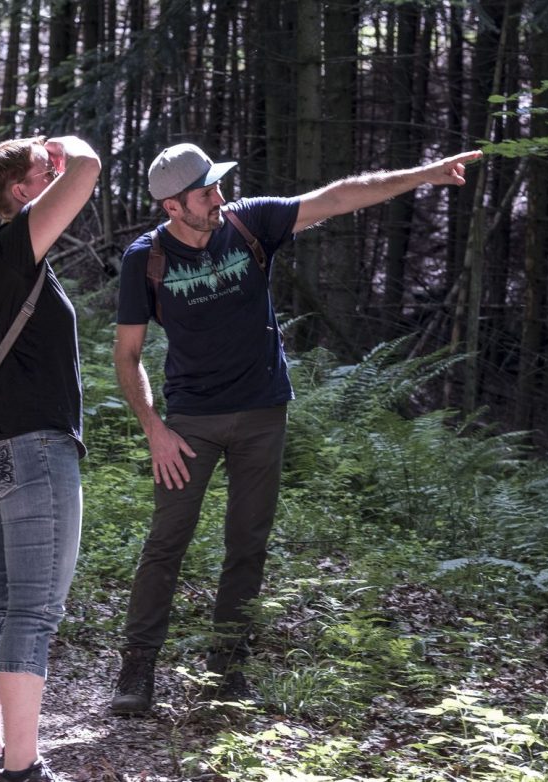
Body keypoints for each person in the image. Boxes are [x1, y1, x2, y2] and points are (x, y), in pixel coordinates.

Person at [109, 142, 482, 715]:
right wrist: (154, 427)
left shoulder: (251, 221)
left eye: (216, 186)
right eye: (205, 192)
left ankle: (228, 672)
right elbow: (128, 353)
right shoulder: (147, 259)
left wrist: (424, 175)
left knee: (248, 545)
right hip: (189, 424)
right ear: (173, 207)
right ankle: (136, 670)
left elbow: (338, 197)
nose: (218, 197)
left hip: (263, 412)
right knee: (166, 544)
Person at [0, 134, 101, 782]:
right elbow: (91, 168)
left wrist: (49, 161)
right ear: (22, 190)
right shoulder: (13, 248)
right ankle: (22, 768)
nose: (55, 176)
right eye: (44, 174)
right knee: (34, 612)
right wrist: (64, 148)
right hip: (36, 451)